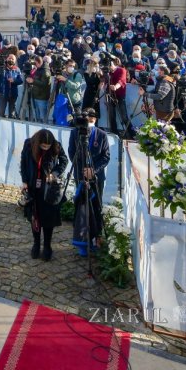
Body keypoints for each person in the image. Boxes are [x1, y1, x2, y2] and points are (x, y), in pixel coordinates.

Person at [20, 128, 68, 261]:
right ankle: (36, 244)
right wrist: (24, 181)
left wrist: (55, 174)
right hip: (33, 187)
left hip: (49, 189)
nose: (45, 148)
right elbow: (23, 163)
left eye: (48, 146)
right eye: (43, 146)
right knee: (34, 217)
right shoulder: (29, 144)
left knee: (48, 219)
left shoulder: (56, 145)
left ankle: (47, 246)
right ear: (38, 143)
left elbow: (64, 161)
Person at [68, 108, 110, 257]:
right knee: (81, 206)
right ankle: (81, 239)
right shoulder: (75, 133)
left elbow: (106, 157)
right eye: (87, 117)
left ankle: (96, 236)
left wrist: (93, 169)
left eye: (92, 117)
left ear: (95, 119)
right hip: (80, 175)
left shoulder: (102, 135)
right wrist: (82, 170)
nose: (90, 120)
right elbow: (72, 153)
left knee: (96, 207)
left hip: (96, 177)